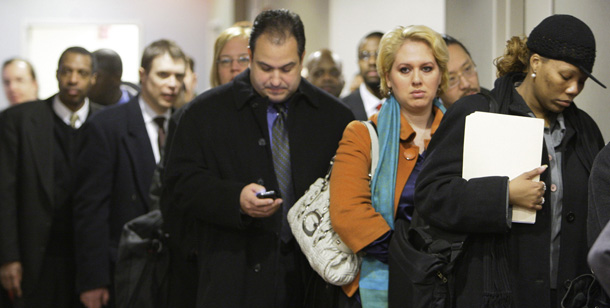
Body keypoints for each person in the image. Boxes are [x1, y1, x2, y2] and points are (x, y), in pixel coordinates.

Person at [162, 9, 354, 307]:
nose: (276, 79)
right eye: (265, 67)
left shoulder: (334, 116)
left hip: (314, 279)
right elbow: (179, 184)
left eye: (287, 68)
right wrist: (234, 198)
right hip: (233, 274)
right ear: (249, 56)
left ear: (302, 58)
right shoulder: (204, 113)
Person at [414, 14, 605, 307]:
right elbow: (431, 196)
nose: (574, 89)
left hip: (570, 297)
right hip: (495, 293)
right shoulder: (478, 113)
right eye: (566, 76)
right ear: (536, 63)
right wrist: (503, 194)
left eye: (582, 81)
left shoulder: (586, 131)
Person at [330, 25, 448, 307]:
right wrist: (411, 257)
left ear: (441, 74)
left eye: (427, 69)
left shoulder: (462, 133)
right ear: (387, 77)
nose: (417, 80)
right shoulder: (362, 134)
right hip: (385, 279)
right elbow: (348, 213)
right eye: (405, 70)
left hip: (451, 282)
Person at [72, 39, 186, 308]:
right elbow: (90, 209)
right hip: (124, 265)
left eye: (178, 76)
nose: (172, 83)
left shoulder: (187, 123)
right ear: (143, 75)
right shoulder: (106, 125)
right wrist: (93, 279)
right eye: (163, 74)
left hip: (176, 268)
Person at [0, 46, 101, 307]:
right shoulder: (19, 119)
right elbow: (5, 192)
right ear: (57, 74)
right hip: (35, 260)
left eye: (81, 72)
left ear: (93, 78)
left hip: (87, 263)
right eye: (66, 71)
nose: (73, 79)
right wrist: (8, 256)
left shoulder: (106, 122)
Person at [343, 31, 385, 120]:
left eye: (379, 54)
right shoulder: (342, 107)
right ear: (358, 62)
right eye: (365, 56)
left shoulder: (405, 104)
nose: (372, 62)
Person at [439, 35, 485, 109]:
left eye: (467, 69)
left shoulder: (498, 106)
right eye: (451, 78)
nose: (465, 84)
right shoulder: (429, 118)